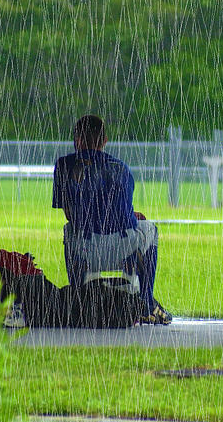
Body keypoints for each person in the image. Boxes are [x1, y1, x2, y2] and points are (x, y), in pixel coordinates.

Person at [53, 114, 172, 325]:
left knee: (69, 229)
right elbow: (124, 214)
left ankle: (79, 298)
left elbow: (70, 213)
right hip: (123, 248)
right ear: (104, 140)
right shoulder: (120, 167)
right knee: (150, 228)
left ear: (77, 139)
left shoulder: (64, 166)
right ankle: (145, 301)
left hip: (86, 249)